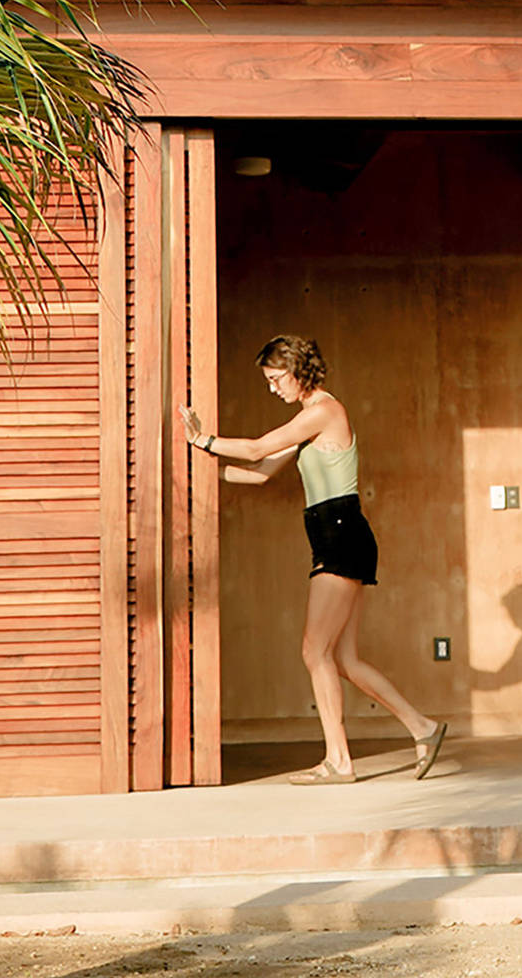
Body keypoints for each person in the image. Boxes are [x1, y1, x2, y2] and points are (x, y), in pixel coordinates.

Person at [181, 333, 448, 784]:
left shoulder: (325, 411)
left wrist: (201, 438)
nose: (272, 388)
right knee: (343, 659)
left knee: (313, 650)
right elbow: (259, 474)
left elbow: (254, 448)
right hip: (337, 535)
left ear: (296, 369)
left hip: (341, 535)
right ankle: (424, 727)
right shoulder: (308, 420)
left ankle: (339, 761)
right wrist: (194, 468)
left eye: (275, 378)